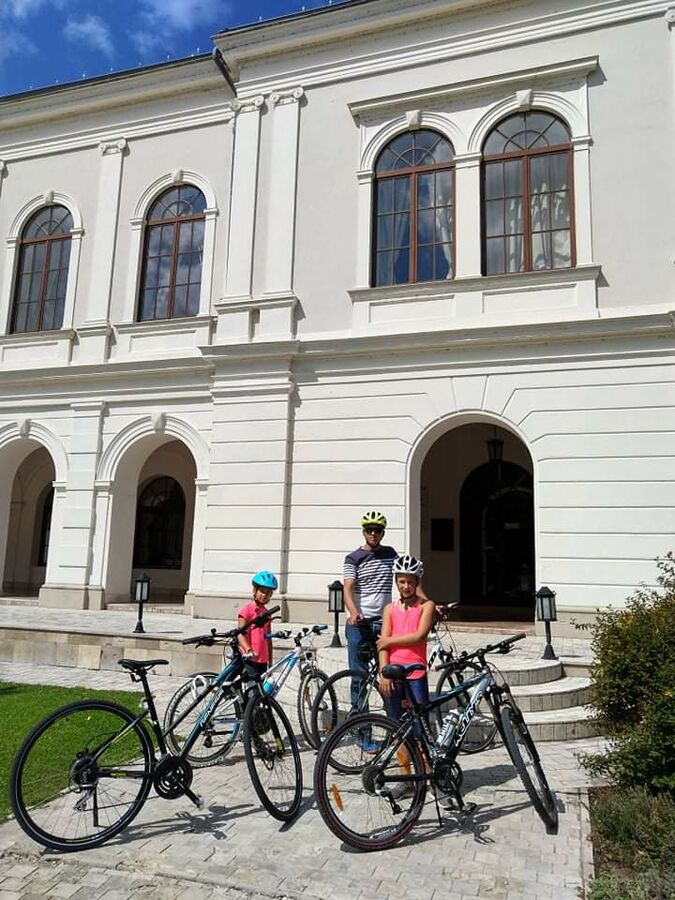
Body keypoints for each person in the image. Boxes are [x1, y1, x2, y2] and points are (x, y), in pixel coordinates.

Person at [377, 554, 435, 725]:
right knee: (395, 724)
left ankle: (419, 744)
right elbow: (382, 646)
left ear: (417, 582)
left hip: (415, 672)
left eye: (410, 582)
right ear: (396, 582)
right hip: (393, 672)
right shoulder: (389, 609)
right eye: (402, 581)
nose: (406, 586)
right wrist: (384, 673)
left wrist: (389, 640)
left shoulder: (426, 606)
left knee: (420, 724)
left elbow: (419, 636)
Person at [237, 570, 278, 676]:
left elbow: (268, 638)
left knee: (262, 686)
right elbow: (240, 634)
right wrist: (248, 650)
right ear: (255, 590)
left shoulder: (267, 613)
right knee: (253, 686)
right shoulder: (246, 610)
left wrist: (270, 661)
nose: (264, 595)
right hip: (249, 659)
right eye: (262, 591)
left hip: (263, 660)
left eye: (268, 593)